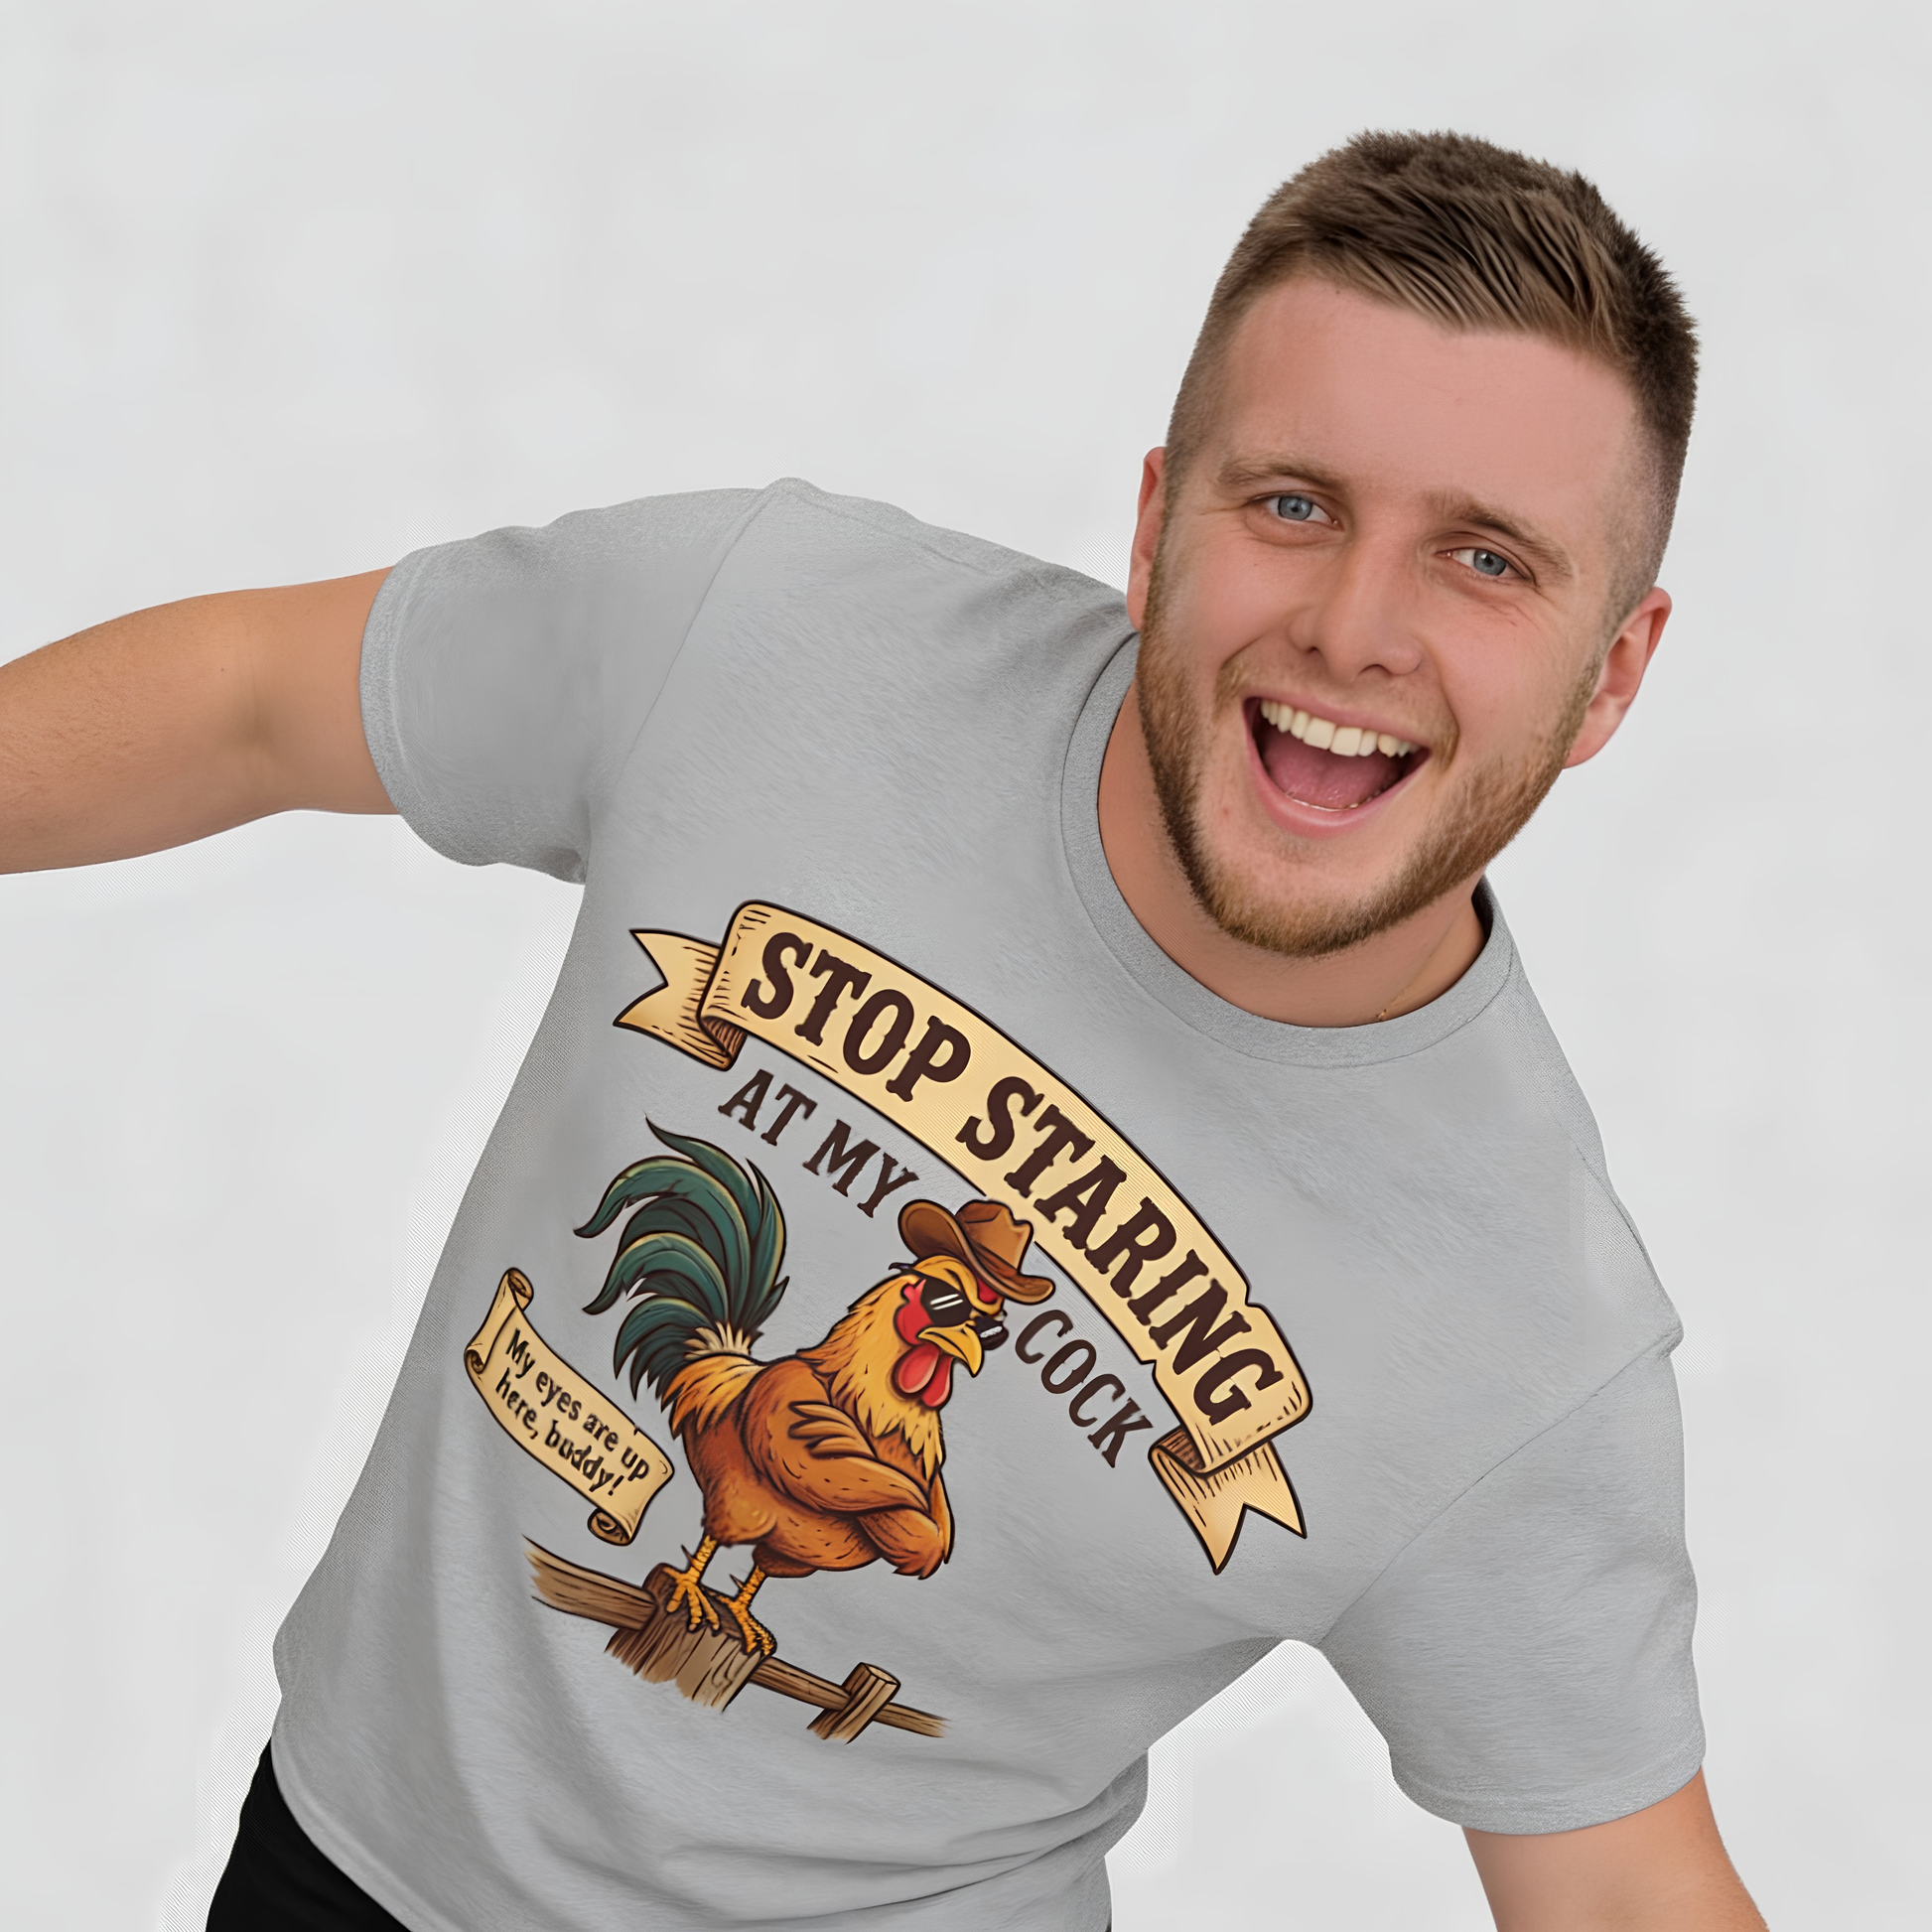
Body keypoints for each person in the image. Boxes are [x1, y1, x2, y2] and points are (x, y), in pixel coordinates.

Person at [0, 130, 1766, 1930]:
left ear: (1611, 672)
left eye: (1483, 559)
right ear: (1157, 526)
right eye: (1293, 504)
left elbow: (1622, 1877)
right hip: (345, 1873)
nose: (1352, 627)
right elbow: (249, 706)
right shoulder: (772, 638)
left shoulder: (1522, 1329)